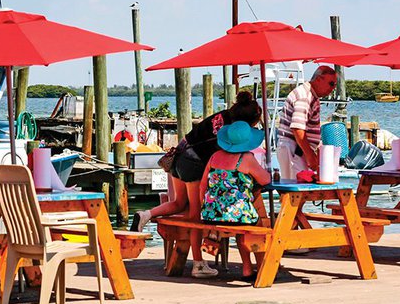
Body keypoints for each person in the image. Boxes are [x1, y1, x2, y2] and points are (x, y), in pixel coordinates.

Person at [130, 92, 262, 278]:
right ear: (248, 123)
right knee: (195, 215)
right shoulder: (233, 131)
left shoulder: (223, 115)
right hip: (194, 163)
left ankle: (145, 214)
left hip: (179, 155)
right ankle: (198, 264)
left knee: (179, 203)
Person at [199, 120, 271, 282]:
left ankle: (247, 268)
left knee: (241, 224)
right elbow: (266, 180)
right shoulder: (246, 158)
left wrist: (204, 208)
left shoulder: (214, 157)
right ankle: (261, 267)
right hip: (237, 215)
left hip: (211, 213)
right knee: (258, 224)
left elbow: (203, 185)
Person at [277, 65, 338, 179]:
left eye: (335, 85)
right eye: (331, 83)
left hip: (296, 149)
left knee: (297, 192)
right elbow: (297, 128)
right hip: (295, 150)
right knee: (295, 193)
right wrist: (310, 155)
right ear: (319, 79)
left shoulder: (309, 95)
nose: (333, 88)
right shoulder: (305, 97)